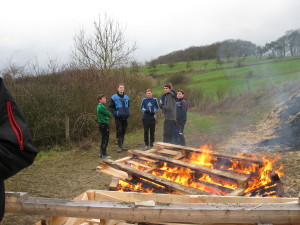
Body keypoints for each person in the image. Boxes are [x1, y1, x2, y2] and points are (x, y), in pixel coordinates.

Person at [109, 84, 130, 153]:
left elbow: (128, 106)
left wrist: (128, 112)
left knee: (123, 131)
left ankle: (122, 146)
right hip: (118, 118)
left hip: (125, 117)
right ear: (118, 89)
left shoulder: (127, 97)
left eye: (123, 88)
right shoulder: (113, 97)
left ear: (124, 89)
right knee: (119, 131)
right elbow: (111, 107)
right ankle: (119, 147)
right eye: (120, 88)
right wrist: (116, 113)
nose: (121, 89)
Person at [97, 94, 111, 158]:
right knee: (105, 139)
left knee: (103, 139)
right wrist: (108, 115)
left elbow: (107, 115)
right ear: (100, 100)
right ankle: (104, 154)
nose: (105, 100)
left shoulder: (101, 106)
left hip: (102, 123)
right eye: (103, 99)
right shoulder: (101, 107)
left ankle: (101, 153)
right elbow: (109, 114)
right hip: (104, 124)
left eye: (105, 98)